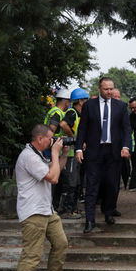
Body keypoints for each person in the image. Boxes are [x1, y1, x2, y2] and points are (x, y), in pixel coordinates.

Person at [15, 124, 70, 271]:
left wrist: (63, 154)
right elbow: (53, 179)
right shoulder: (29, 156)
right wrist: (55, 153)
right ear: (40, 139)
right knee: (31, 255)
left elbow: (56, 171)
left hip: (46, 210)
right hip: (33, 213)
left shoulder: (38, 155)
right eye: (50, 138)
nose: (53, 141)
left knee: (61, 243)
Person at [75, 77, 132, 233]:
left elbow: (127, 129)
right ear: (99, 89)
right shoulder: (89, 106)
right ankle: (90, 220)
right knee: (92, 185)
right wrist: (79, 149)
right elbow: (83, 129)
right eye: (106, 89)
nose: (109, 92)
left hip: (113, 152)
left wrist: (126, 147)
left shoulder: (120, 106)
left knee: (112, 184)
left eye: (111, 89)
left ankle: (108, 212)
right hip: (94, 151)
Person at [57, 88, 89, 219]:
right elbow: (63, 124)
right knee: (70, 182)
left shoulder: (81, 114)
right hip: (69, 154)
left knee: (77, 182)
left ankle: (74, 208)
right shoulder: (72, 112)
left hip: (75, 154)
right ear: (81, 101)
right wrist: (75, 140)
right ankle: (66, 209)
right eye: (85, 100)